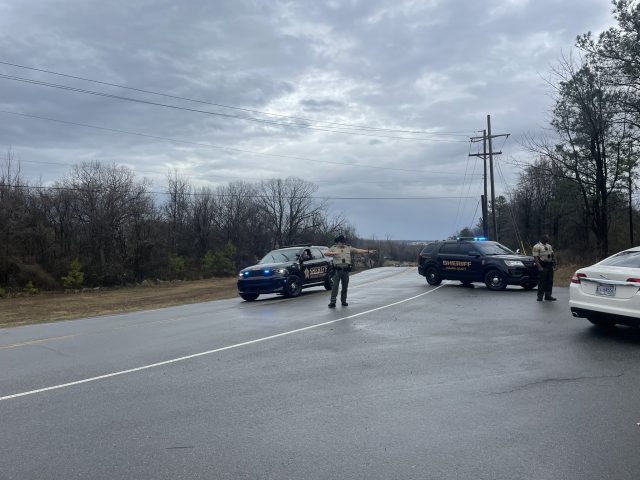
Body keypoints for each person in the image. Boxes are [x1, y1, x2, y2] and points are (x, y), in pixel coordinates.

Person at [323, 234, 376, 308]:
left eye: (344, 241)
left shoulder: (348, 248)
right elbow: (325, 253)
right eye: (342, 242)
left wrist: (368, 251)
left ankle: (343, 301)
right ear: (338, 242)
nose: (343, 243)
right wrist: (334, 253)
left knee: (345, 287)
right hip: (337, 270)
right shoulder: (334, 248)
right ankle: (332, 302)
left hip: (346, 270)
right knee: (335, 287)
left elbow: (358, 250)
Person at [532, 234, 556, 301]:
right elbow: (535, 257)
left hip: (549, 265)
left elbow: (552, 254)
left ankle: (548, 295)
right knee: (542, 281)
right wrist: (539, 267)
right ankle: (540, 296)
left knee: (550, 281)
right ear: (543, 238)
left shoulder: (549, 246)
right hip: (543, 265)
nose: (548, 239)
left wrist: (554, 262)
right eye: (547, 238)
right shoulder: (536, 247)